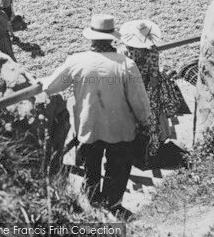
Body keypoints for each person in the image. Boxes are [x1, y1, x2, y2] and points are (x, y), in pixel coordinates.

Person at [42, 13, 151, 211]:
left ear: (91, 37)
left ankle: (93, 205)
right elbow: (139, 101)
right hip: (120, 128)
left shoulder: (76, 61)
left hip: (88, 126)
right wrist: (145, 122)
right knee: (117, 169)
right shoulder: (126, 64)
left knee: (91, 168)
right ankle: (112, 203)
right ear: (112, 38)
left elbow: (50, 86)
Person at [119, 19, 189, 157]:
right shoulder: (152, 53)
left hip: (128, 88)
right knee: (151, 116)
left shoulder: (124, 53)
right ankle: (151, 146)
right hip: (145, 88)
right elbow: (154, 77)